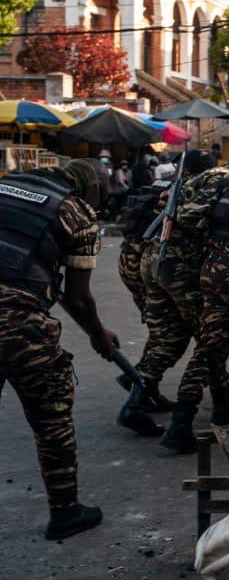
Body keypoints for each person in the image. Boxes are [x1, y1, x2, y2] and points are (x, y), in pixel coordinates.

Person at [0, 161, 119, 539]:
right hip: (19, 324)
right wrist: (98, 334)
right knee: (52, 419)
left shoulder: (6, 185)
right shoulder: (78, 214)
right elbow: (79, 299)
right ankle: (65, 512)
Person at [161, 140, 229, 453]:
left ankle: (188, 418)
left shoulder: (212, 175)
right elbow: (193, 218)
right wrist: (220, 235)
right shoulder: (227, 180)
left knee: (208, 341)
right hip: (205, 266)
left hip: (202, 266)